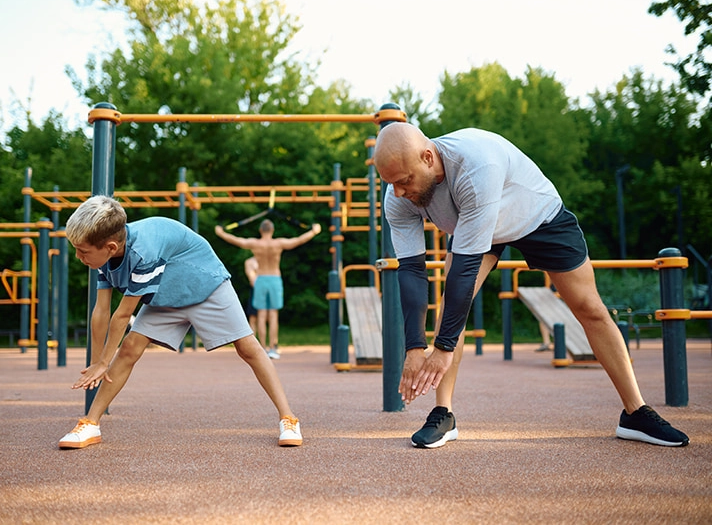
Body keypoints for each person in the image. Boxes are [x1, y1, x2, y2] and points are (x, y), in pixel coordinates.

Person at [373, 122, 689, 449]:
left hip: (537, 216)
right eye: (391, 183)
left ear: (427, 158)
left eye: (404, 181)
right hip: (476, 223)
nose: (398, 192)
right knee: (451, 307)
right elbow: (412, 270)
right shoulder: (397, 196)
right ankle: (443, 414)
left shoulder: (475, 166)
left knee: (590, 308)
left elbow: (463, 272)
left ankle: (636, 412)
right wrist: (414, 348)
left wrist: (441, 351)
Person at [58, 196, 303, 449]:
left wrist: (104, 363)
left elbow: (121, 315)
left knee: (248, 347)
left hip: (206, 285)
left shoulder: (143, 252)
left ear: (110, 247)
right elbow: (101, 311)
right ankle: (91, 424)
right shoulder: (103, 256)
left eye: (83, 251)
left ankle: (288, 418)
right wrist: (97, 362)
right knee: (130, 347)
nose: (78, 256)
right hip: (165, 293)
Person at [215, 219, 321, 360]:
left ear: (261, 230)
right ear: (272, 230)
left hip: (261, 279)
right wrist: (314, 231)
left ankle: (263, 348)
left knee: (261, 314)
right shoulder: (279, 243)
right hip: (274, 279)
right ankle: (273, 348)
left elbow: (237, 240)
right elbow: (298, 240)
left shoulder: (255, 244)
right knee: (273, 315)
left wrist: (221, 233)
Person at [244, 255, 259, 332]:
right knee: (253, 318)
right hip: (255, 291)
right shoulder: (249, 262)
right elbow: (253, 281)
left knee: (268, 316)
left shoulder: (268, 260)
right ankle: (254, 338)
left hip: (266, 290)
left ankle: (269, 340)